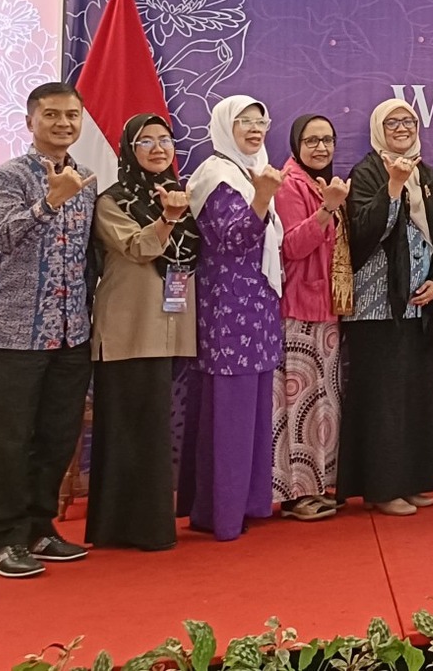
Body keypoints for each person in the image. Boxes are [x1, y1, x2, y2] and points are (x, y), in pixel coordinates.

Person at [0, 81, 97, 578]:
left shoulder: (85, 180)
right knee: (12, 438)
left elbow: (87, 257)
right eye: (52, 115)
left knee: (57, 435)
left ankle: (39, 529)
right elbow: (1, 238)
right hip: (13, 332)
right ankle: (3, 539)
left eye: (72, 115)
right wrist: (49, 202)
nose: (63, 123)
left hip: (71, 332)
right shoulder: (10, 176)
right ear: (31, 121)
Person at [338, 98, 433, 516]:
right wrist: (393, 186)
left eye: (408, 121)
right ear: (378, 129)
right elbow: (363, 233)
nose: (401, 128)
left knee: (415, 397)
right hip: (376, 309)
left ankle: (412, 481)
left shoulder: (425, 173)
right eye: (391, 122)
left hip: (418, 308)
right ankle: (382, 487)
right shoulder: (366, 172)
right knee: (383, 399)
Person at [86, 113, 197, 551]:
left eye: (164, 140)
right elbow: (138, 248)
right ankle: (120, 528)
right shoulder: (112, 201)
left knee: (153, 431)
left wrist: (175, 212)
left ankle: (152, 526)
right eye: (145, 142)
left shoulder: (180, 194)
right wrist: (168, 218)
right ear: (129, 151)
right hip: (128, 328)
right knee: (126, 431)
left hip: (167, 325)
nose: (157, 149)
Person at [185, 95, 285, 540]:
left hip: (258, 308)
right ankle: (222, 514)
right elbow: (233, 239)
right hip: (228, 309)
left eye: (260, 121)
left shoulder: (254, 170)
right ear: (225, 126)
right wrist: (262, 198)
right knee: (230, 413)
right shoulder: (216, 175)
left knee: (254, 410)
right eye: (244, 121)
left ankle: (248, 503)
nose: (255, 128)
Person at [271, 115, 352, 521]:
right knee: (297, 404)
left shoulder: (323, 183)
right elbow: (291, 246)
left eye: (327, 140)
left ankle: (318, 484)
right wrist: (327, 210)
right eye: (312, 140)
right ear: (296, 144)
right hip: (299, 308)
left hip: (327, 309)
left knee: (323, 403)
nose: (321, 148)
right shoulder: (289, 183)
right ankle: (295, 493)